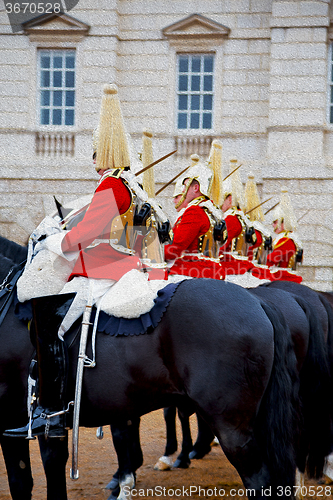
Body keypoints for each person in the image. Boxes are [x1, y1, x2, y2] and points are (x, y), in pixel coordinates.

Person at [4, 83, 168, 439]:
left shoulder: (112, 185)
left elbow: (86, 234)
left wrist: (53, 241)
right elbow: (137, 242)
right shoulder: (128, 186)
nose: (92, 158)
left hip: (102, 266)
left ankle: (50, 408)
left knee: (51, 319)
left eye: (96, 151)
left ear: (106, 153)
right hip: (119, 263)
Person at [164, 151, 226, 280]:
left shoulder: (194, 212)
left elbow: (175, 248)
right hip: (213, 270)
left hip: (193, 270)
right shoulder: (210, 211)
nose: (182, 190)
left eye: (185, 185)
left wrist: (149, 253)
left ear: (195, 187)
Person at [266, 187, 303, 283]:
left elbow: (272, 259)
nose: (273, 225)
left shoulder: (286, 240)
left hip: (283, 277)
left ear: (283, 223)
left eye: (275, 222)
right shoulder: (285, 238)